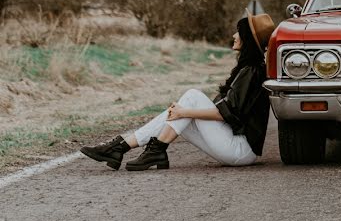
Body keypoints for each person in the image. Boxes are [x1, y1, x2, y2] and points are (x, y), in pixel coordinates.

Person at [80, 13, 275, 171]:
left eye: (238, 32)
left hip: (241, 150)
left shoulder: (252, 71)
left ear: (247, 38)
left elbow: (226, 114)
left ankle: (137, 149)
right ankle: (124, 148)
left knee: (191, 98)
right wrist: (182, 113)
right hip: (234, 145)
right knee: (180, 112)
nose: (234, 36)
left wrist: (185, 112)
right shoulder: (249, 69)